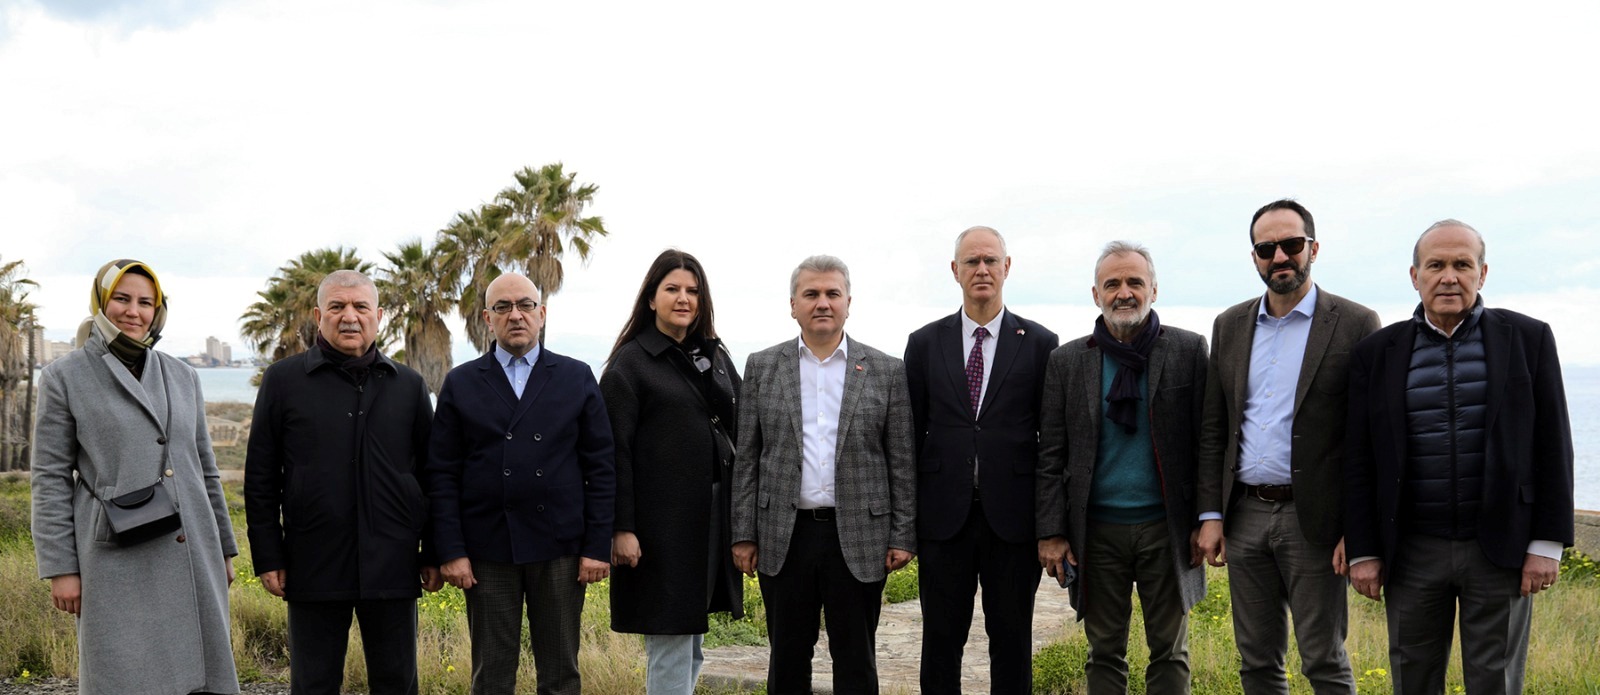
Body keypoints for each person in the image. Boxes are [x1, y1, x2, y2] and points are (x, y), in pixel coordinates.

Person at [1344, 220, 1574, 695]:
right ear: (1415, 276)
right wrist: (1364, 550)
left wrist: (1547, 543)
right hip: (1411, 552)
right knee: (1413, 680)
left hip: (1500, 549)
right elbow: (1360, 458)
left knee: (1496, 683)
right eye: (1436, 265)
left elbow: (1554, 444)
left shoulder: (1528, 339)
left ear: (1482, 273)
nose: (1449, 277)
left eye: (1462, 265)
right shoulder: (1376, 353)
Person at [1193, 200, 1379, 694]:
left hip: (1315, 521)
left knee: (1323, 659)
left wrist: (1357, 527)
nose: (1280, 257)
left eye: (1292, 245)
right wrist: (1211, 515)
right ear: (1254, 257)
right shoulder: (1229, 325)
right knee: (1256, 661)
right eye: (1266, 248)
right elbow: (1215, 428)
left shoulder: (1356, 323)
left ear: (1313, 249)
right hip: (1245, 515)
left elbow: (1369, 437)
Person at [31, 259, 240, 695]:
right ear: (101, 302)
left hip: (192, 545)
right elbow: (49, 477)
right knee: (124, 671)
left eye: (146, 302)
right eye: (122, 299)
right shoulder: (63, 377)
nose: (134, 311)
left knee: (201, 672)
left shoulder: (182, 375)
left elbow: (205, 468)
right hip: (116, 553)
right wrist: (61, 568)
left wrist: (222, 547)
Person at [244, 269, 440, 695]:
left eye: (360, 307)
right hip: (312, 560)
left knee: (396, 682)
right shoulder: (283, 381)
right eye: (337, 306)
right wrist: (268, 555)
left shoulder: (409, 385)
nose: (349, 316)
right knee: (313, 683)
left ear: (378, 316)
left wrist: (433, 551)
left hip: (393, 560)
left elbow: (431, 474)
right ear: (319, 316)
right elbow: (261, 476)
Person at [731, 254, 916, 695]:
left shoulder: (886, 370)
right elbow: (748, 458)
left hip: (859, 536)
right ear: (793, 305)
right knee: (787, 660)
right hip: (784, 536)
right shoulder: (762, 366)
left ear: (849, 303)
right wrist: (743, 533)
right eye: (811, 294)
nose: (822, 303)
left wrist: (903, 534)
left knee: (856, 662)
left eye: (833, 293)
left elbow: (901, 459)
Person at [427, 272, 616, 695]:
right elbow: (442, 474)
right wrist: (451, 551)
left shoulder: (575, 376)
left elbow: (601, 467)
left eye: (525, 305)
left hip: (561, 546)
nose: (516, 315)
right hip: (488, 548)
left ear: (541, 314)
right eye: (503, 307)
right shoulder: (461, 382)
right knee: (491, 676)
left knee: (561, 674)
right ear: (487, 318)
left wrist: (596, 545)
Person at [1036, 241, 1208, 695]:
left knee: (1170, 652)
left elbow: (1206, 443)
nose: (1124, 292)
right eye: (1112, 284)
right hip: (1096, 533)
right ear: (1096, 294)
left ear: (1154, 289)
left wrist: (1206, 519)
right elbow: (1051, 452)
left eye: (1135, 282)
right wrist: (1051, 531)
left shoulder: (1189, 350)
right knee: (1104, 653)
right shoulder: (1067, 361)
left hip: (1167, 529)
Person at [903, 226, 1058, 694]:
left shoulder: (1040, 343)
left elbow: (1052, 440)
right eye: (972, 262)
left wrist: (1051, 523)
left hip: (1013, 521)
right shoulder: (924, 343)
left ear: (1007, 267)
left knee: (1011, 643)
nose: (982, 270)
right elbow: (909, 437)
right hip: (943, 520)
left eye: (991, 260)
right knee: (940, 642)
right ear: (956, 271)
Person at [600, 250, 744, 694]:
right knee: (671, 640)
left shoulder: (714, 355)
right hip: (659, 530)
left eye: (693, 291)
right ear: (651, 298)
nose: (684, 298)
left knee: (692, 642)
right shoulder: (630, 365)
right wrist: (621, 528)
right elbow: (614, 453)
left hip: (710, 519)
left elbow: (741, 423)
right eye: (672, 289)